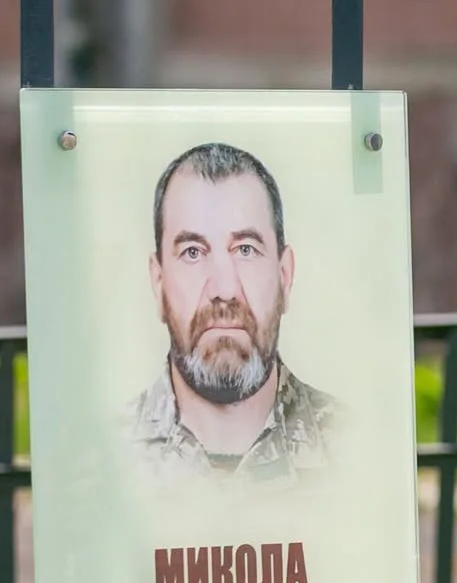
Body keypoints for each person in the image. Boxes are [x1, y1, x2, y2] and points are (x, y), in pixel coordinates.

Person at [128, 141, 338, 485]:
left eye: (246, 249)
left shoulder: (356, 447)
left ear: (284, 277)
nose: (224, 290)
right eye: (193, 252)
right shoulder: (101, 457)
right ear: (158, 281)